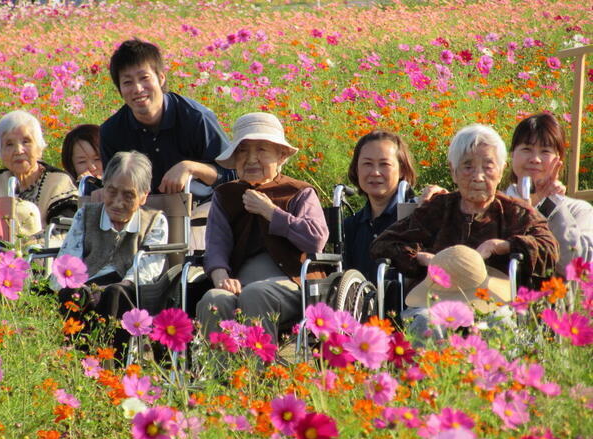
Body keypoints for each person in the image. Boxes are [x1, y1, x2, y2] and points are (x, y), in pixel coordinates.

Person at [370, 124, 559, 295]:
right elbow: (383, 244)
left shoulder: (517, 213)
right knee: (422, 324)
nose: (478, 176)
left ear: (501, 171)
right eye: (468, 167)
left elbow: (549, 248)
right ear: (453, 171)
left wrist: (501, 246)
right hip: (436, 301)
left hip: (495, 302)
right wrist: (421, 258)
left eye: (488, 167)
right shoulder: (438, 209)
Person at [196, 112, 329, 343]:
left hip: (292, 282)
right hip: (239, 281)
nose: (251, 158)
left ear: (281, 156)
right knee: (214, 299)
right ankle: (221, 376)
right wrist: (220, 276)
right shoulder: (225, 195)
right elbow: (216, 244)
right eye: (243, 150)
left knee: (255, 295)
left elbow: (315, 240)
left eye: (261, 150)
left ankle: (257, 374)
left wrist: (270, 212)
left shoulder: (299, 192)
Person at [52, 151, 168, 358]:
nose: (117, 202)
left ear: (144, 196)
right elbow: (68, 260)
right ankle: (73, 361)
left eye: (128, 195)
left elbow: (147, 270)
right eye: (111, 191)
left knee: (115, 293)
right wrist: (76, 286)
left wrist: (107, 289)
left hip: (131, 291)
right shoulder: (86, 214)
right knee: (71, 294)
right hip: (87, 284)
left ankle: (112, 366)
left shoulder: (155, 221)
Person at [100, 38, 232, 196]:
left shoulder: (196, 118)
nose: (137, 89)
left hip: (198, 210)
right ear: (119, 89)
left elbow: (230, 175)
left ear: (161, 78)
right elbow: (112, 187)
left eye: (144, 78)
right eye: (128, 82)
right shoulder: (111, 131)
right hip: (138, 212)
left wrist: (190, 167)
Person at [506, 113, 593, 277]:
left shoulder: (577, 211)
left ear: (559, 159)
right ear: (512, 154)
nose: (535, 159)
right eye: (526, 149)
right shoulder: (495, 204)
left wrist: (551, 205)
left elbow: (576, 268)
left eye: (545, 151)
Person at [344, 130, 417, 283]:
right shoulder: (351, 226)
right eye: (367, 164)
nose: (375, 172)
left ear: (402, 169)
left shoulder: (416, 215)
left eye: (384, 164)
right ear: (356, 169)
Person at [0, 110, 78, 234]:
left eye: (26, 141)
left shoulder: (58, 182)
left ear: (39, 147)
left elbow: (65, 233)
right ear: (0, 152)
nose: (18, 150)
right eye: (9, 144)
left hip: (45, 252)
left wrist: (30, 246)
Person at [62, 124, 103, 195]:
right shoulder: (64, 193)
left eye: (97, 159)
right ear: (71, 165)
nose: (92, 168)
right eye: (82, 162)